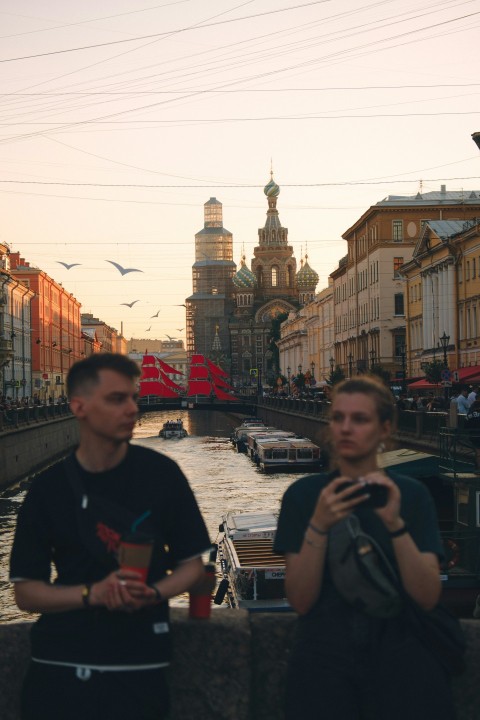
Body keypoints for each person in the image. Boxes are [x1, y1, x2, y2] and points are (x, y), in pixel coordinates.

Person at [10, 353, 211, 720]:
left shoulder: (162, 475)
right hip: (60, 668)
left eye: (133, 397)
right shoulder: (48, 490)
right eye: (117, 399)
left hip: (139, 666)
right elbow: (25, 592)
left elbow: (193, 567)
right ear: (79, 406)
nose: (133, 408)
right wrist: (92, 594)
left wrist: (152, 593)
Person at [274, 376, 454, 720]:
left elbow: (427, 596)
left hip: (401, 659)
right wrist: (319, 525)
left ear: (384, 428)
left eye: (360, 419)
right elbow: (300, 600)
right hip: (324, 661)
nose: (345, 428)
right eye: (338, 418)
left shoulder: (411, 495)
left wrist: (394, 524)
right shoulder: (303, 496)